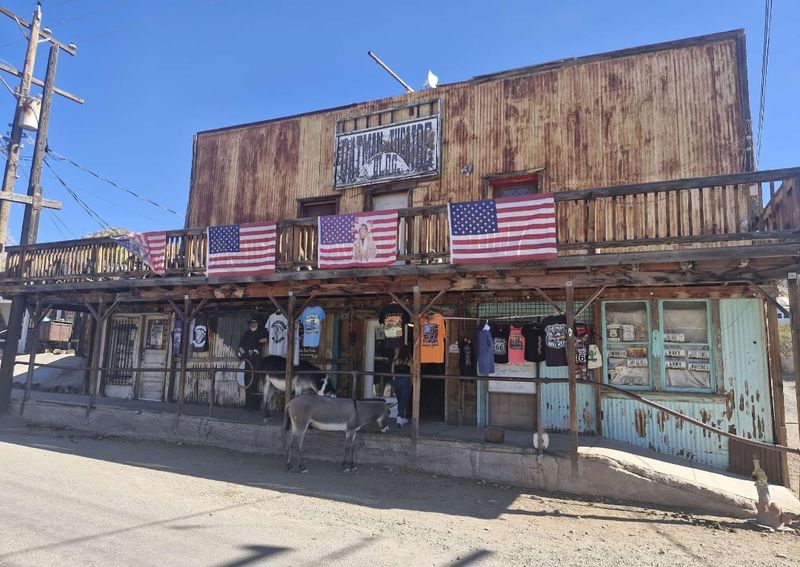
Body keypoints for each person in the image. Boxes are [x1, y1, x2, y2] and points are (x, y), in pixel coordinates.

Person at [238, 316, 267, 410]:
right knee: (247, 380)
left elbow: (266, 339)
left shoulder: (260, 332)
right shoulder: (246, 333)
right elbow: (240, 347)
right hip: (247, 360)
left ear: (257, 323)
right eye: (252, 322)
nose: (253, 324)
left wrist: (258, 341)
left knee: (255, 381)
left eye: (255, 322)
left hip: (257, 360)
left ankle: (255, 405)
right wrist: (245, 355)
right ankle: (248, 404)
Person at [391, 346, 412, 428]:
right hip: (406, 381)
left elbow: (392, 372)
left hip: (397, 381)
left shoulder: (395, 360)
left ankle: (402, 417)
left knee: (400, 400)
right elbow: (412, 373)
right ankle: (399, 417)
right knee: (404, 400)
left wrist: (394, 381)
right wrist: (412, 383)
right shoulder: (410, 361)